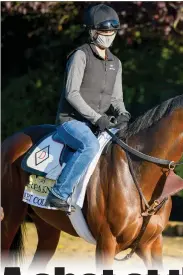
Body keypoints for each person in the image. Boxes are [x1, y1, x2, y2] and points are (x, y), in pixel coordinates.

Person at [46, 4, 131, 211]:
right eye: (104, 31)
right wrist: (97, 118)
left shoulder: (116, 63)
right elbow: (71, 93)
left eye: (112, 31)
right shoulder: (80, 56)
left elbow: (116, 98)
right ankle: (58, 193)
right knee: (90, 146)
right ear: (93, 32)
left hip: (98, 123)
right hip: (71, 122)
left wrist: (123, 113)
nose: (108, 35)